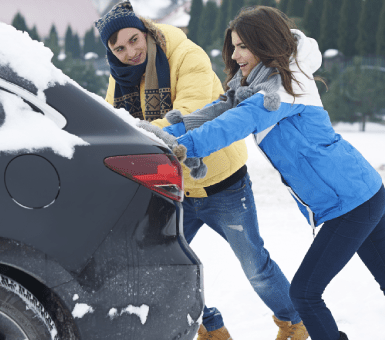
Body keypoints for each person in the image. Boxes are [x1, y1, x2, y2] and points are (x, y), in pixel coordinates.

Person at [161, 6, 385, 340]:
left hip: (351, 202)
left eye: (243, 46)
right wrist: (165, 135)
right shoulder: (259, 84)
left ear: (264, 43)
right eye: (234, 45)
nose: (235, 54)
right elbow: (217, 112)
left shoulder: (281, 88)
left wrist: (183, 147)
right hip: (360, 192)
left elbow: (234, 123)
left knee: (305, 294)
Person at [94, 2, 308, 340]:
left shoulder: (185, 54)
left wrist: (143, 137)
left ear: (146, 32)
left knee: (255, 266)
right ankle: (210, 328)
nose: (129, 52)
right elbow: (117, 122)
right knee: (157, 265)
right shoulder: (120, 77)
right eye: (118, 48)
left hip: (221, 183)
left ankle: (294, 322)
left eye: (134, 40)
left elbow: (190, 113)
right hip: (170, 185)